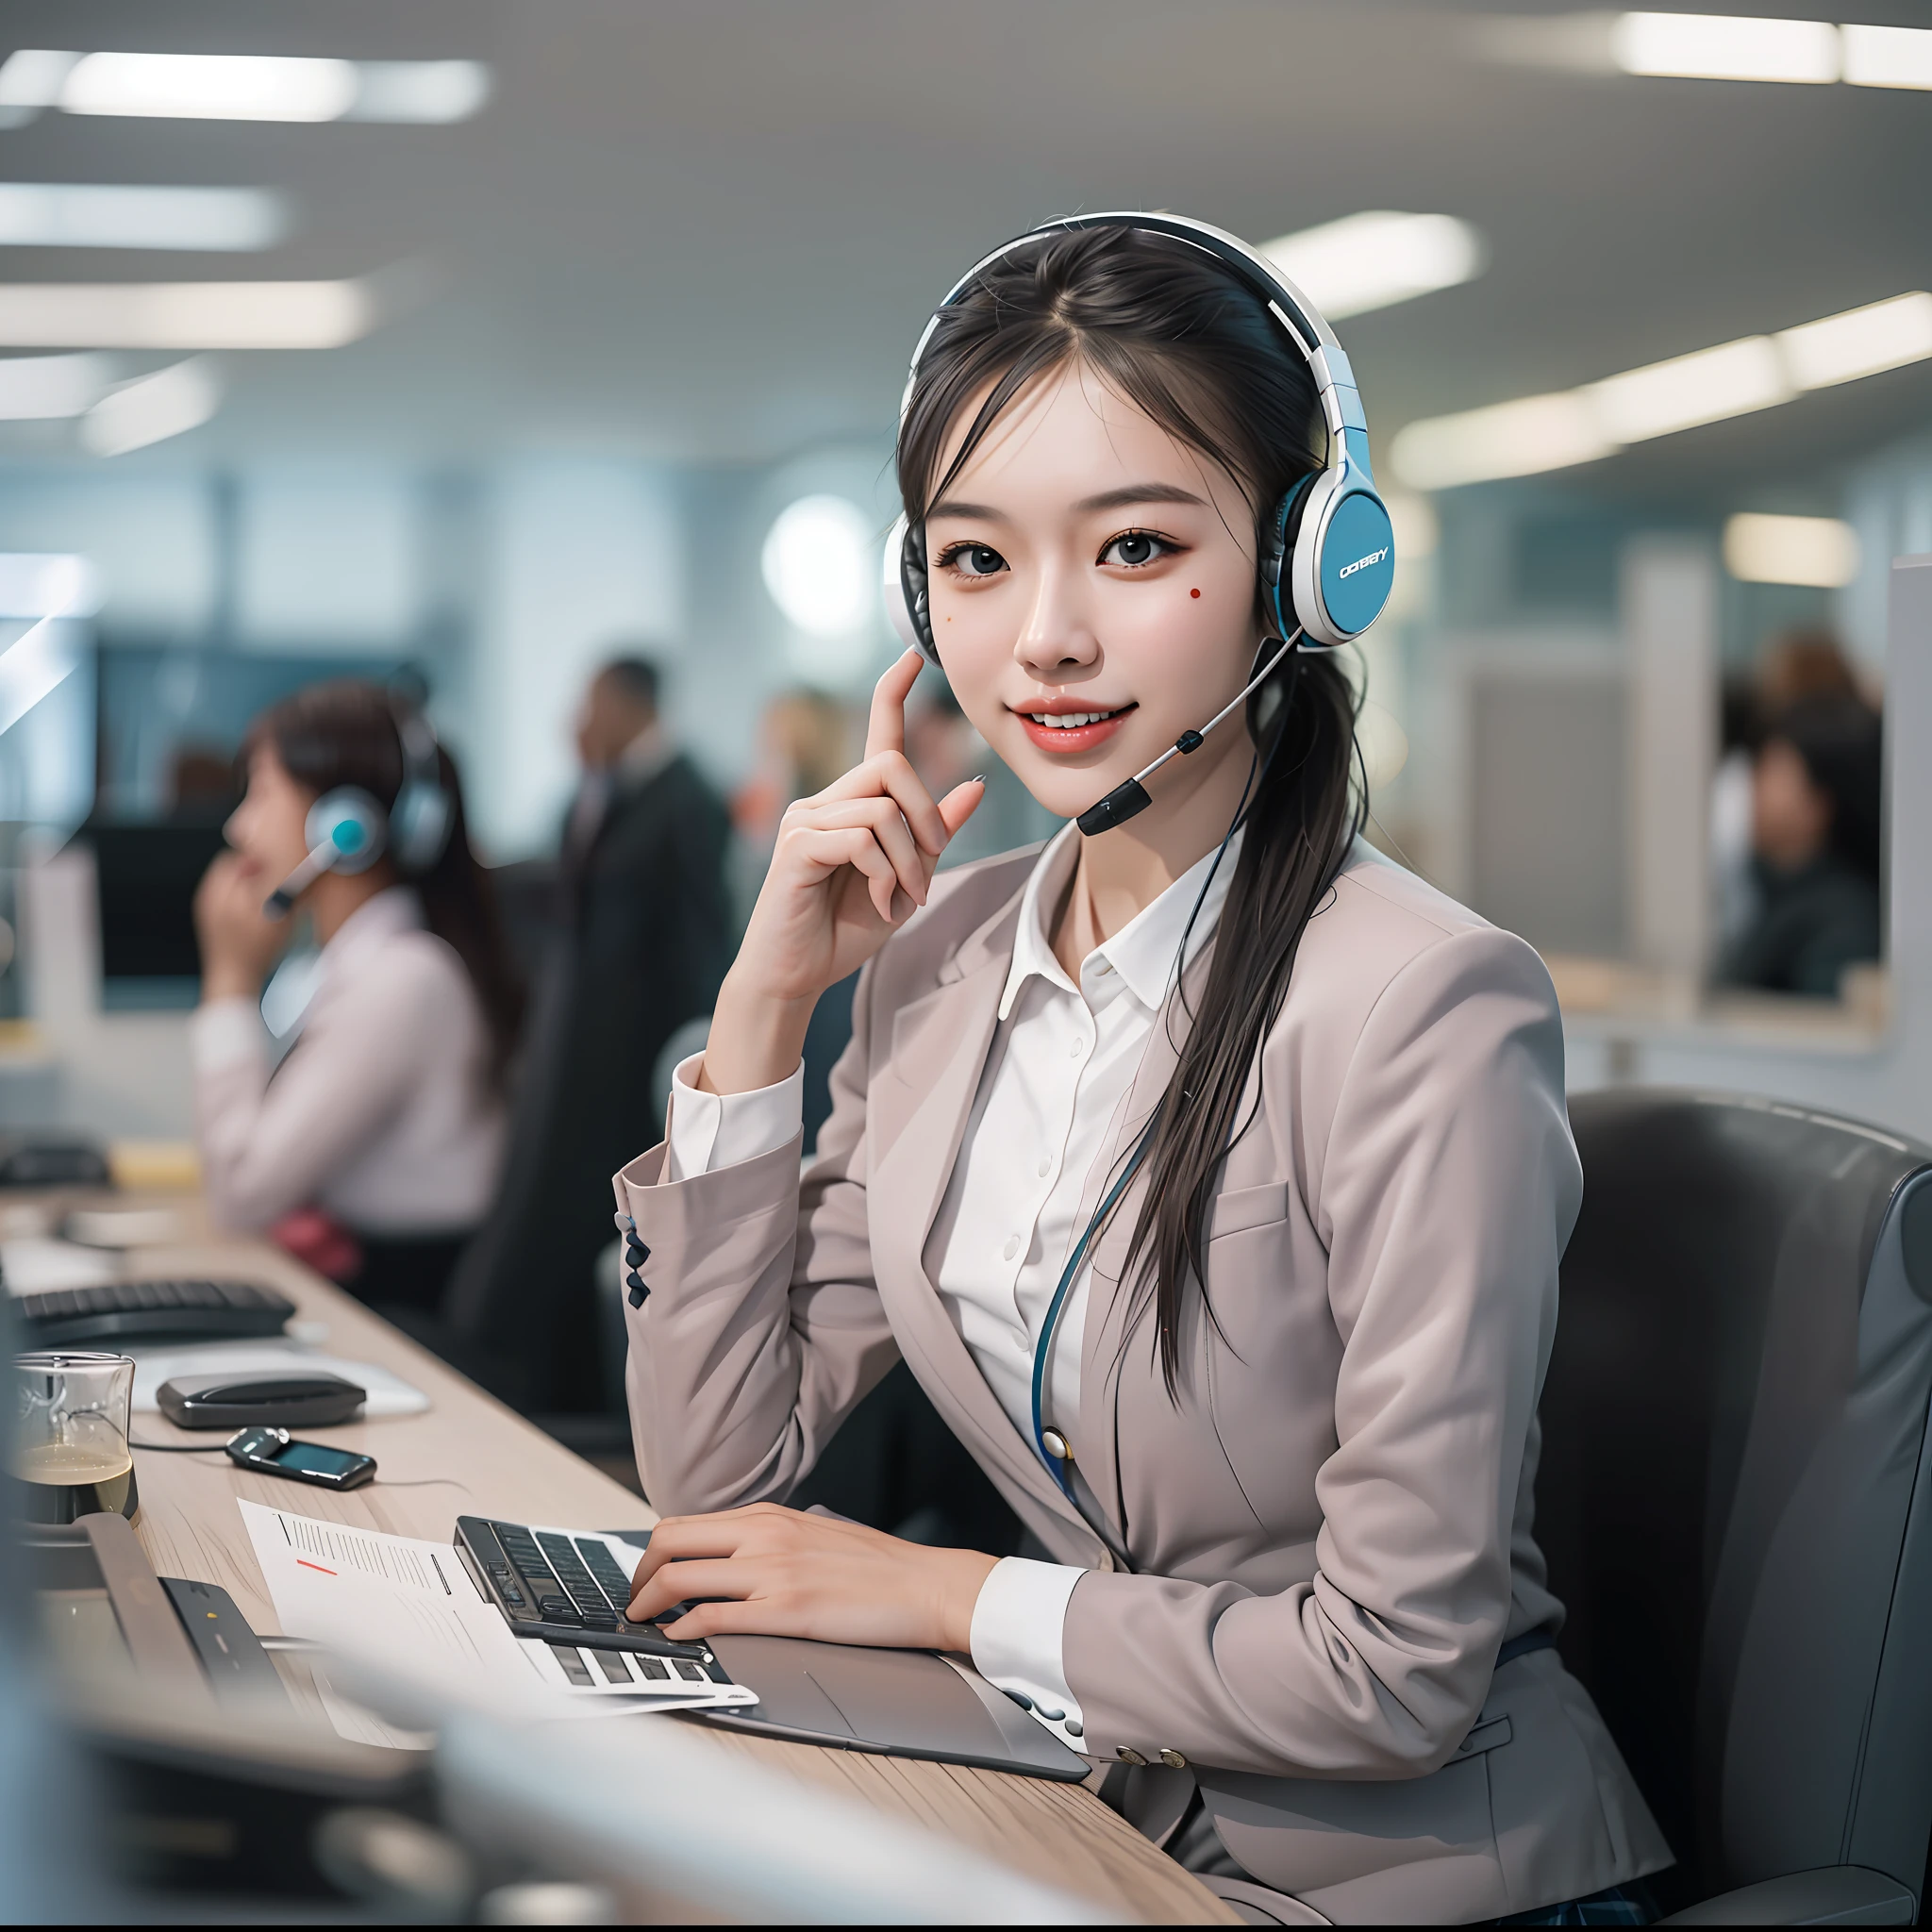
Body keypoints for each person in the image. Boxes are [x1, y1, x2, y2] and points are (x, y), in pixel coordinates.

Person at [608, 219, 1667, 1923]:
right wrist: (761, 1010)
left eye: (1134, 545)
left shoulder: (1425, 1004)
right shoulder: (935, 965)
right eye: (973, 560)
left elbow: (1394, 1668)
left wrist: (949, 1598)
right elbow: (720, 1484)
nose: (1040, 639)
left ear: (1303, 567)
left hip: (1417, 1880)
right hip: (1104, 1822)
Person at [441, 653, 731, 1413]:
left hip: (633, 1063)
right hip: (579, 1060)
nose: (577, 720)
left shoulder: (687, 799)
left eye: (589, 702)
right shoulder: (599, 794)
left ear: (628, 703)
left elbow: (703, 943)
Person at [192, 680, 521, 1312]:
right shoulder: (355, 969)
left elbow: (240, 1193)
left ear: (343, 824)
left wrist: (229, 980)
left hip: (405, 1318)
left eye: (260, 793)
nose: (238, 827)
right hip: (372, 1298)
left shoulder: (404, 981)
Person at [1721, 690, 1883, 998]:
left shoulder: (1845, 928)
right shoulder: (1773, 892)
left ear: (1817, 806)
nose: (1754, 785)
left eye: (1772, 769)